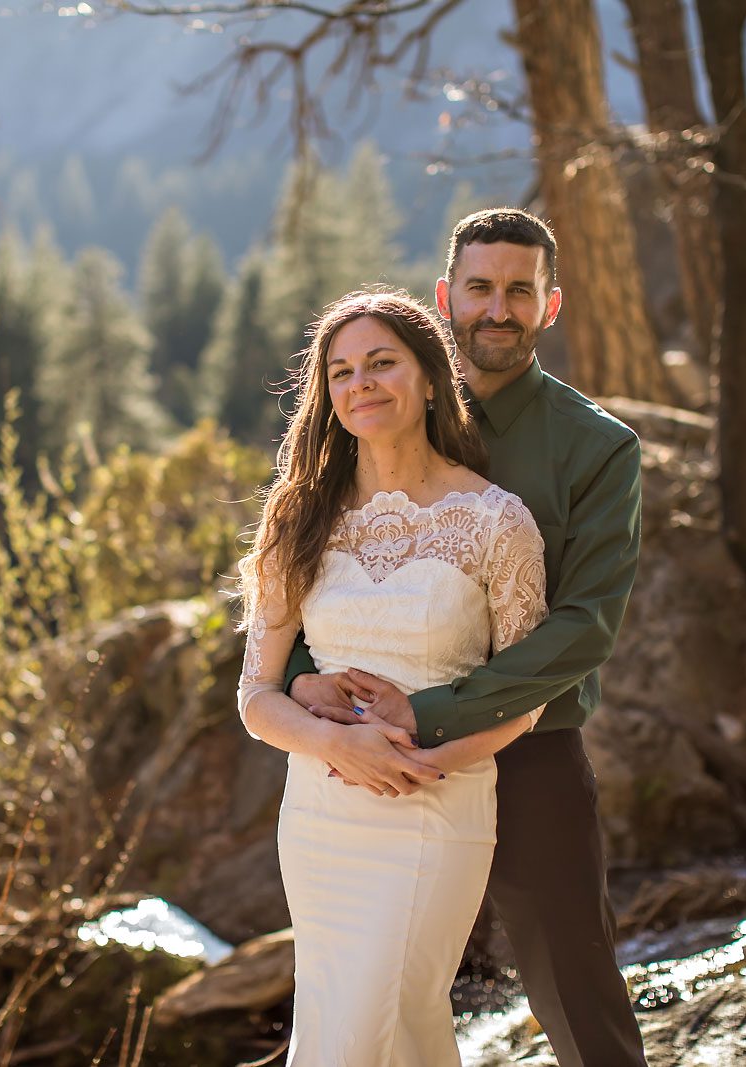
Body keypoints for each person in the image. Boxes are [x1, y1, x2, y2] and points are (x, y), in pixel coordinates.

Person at [283, 208, 649, 1067]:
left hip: (532, 752)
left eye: (520, 291)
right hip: (364, 758)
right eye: (480, 288)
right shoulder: (376, 412)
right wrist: (305, 680)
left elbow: (585, 625)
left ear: (549, 305)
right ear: (447, 297)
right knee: (361, 995)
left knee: (578, 997)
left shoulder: (597, 448)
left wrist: (434, 713)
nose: (498, 309)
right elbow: (310, 578)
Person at [237, 289, 550, 1065]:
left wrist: (425, 759)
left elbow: (526, 695)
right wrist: (336, 746)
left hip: (435, 804)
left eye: (382, 363)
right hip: (319, 815)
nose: (361, 383)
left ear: (432, 378)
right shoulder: (297, 515)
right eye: (341, 371)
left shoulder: (495, 519)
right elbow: (256, 696)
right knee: (369, 1029)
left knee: (374, 1022)